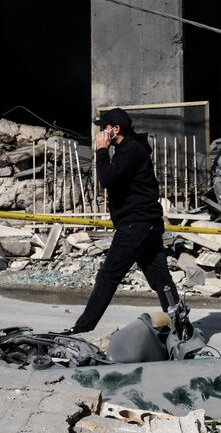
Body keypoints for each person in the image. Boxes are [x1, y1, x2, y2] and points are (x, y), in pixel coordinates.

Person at [65, 108, 181, 334]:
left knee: (108, 276)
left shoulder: (130, 150)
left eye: (103, 128)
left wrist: (100, 151)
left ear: (115, 129)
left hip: (135, 225)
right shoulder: (131, 150)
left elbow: (107, 179)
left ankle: (81, 330)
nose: (100, 132)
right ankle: (180, 326)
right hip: (147, 224)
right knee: (160, 278)